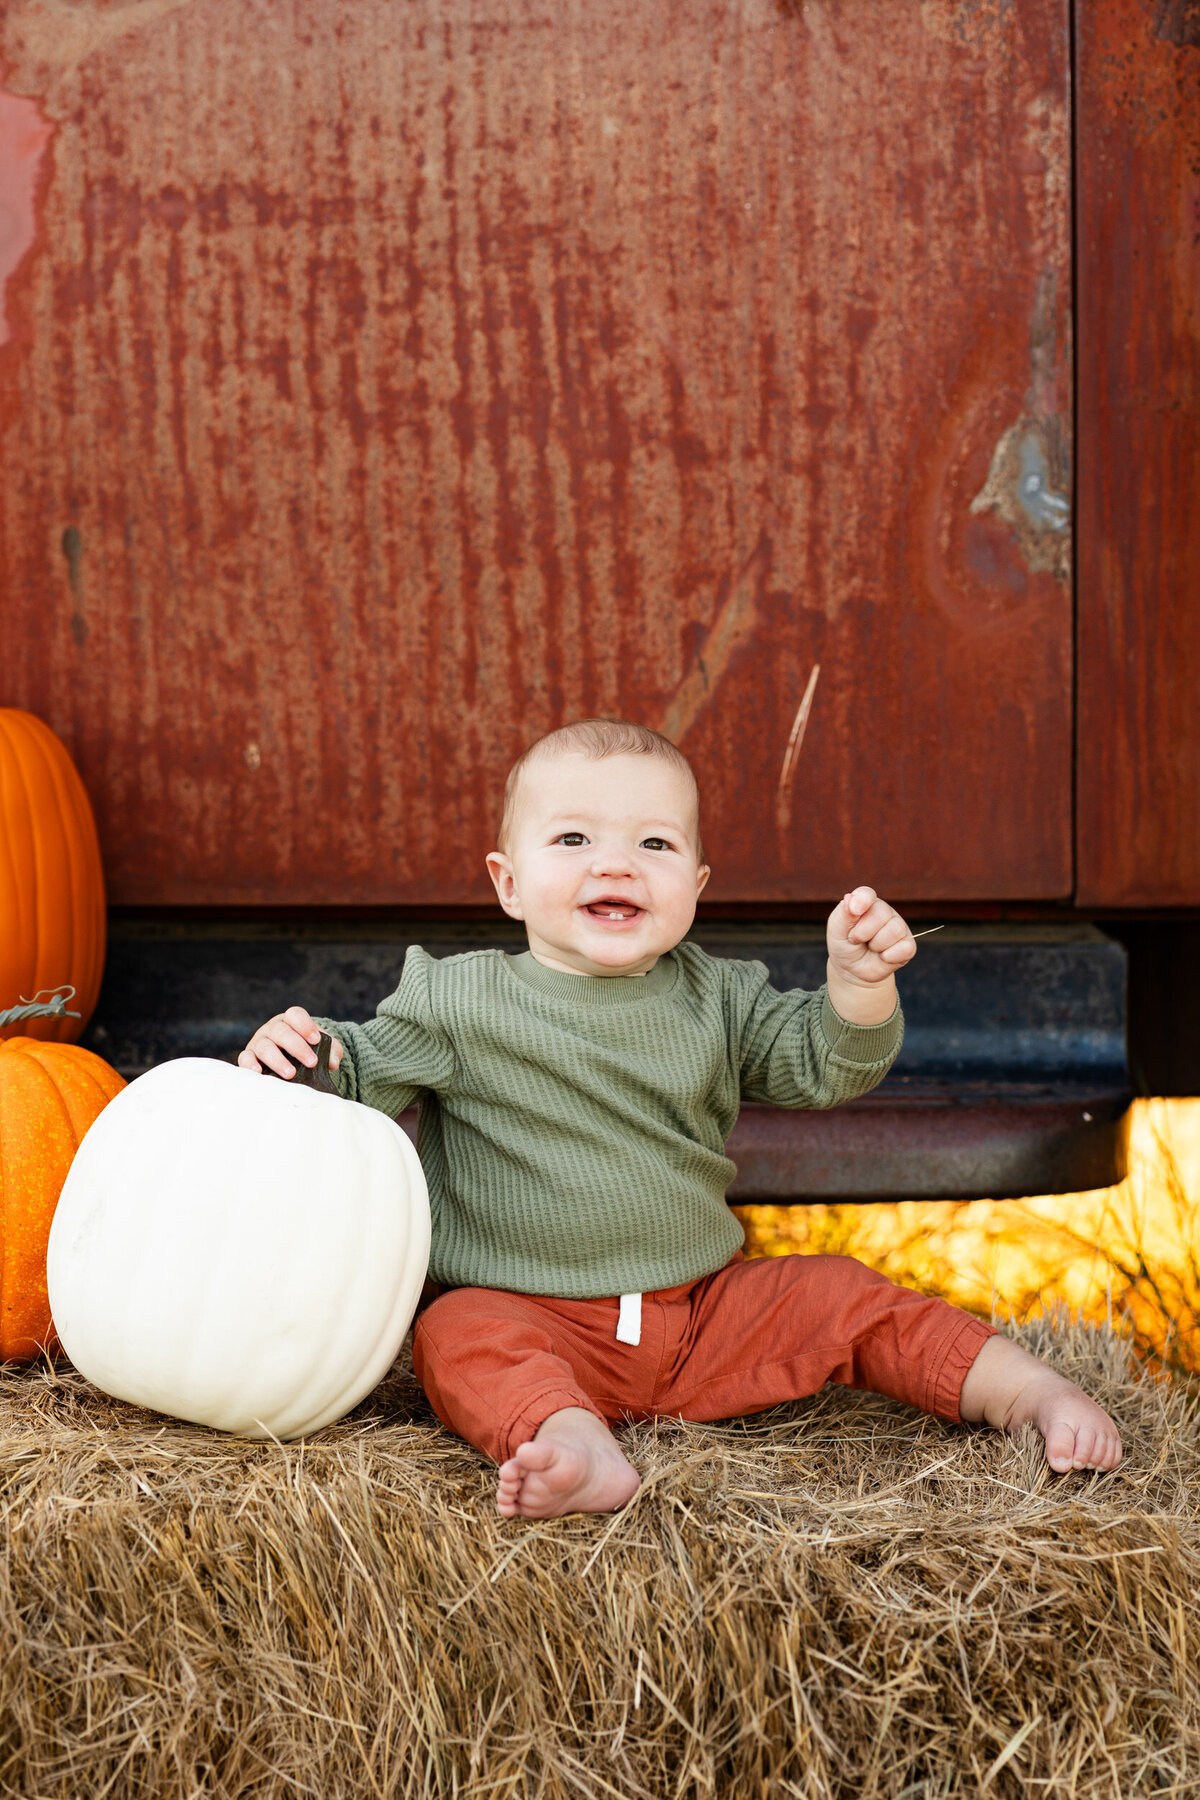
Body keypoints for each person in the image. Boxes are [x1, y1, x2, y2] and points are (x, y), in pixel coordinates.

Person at [239, 719, 1122, 1518]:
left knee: (844, 1295)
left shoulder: (719, 998)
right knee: (455, 1334)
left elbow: (823, 1063)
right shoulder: (458, 998)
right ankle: (573, 1439)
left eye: (653, 843)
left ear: (694, 885)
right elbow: (364, 1070)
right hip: (532, 1315)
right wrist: (305, 1057)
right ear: (509, 883)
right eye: (574, 838)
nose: (615, 863)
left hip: (703, 1314)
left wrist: (856, 988)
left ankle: (1026, 1392)